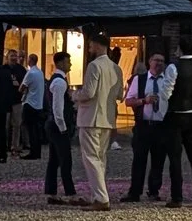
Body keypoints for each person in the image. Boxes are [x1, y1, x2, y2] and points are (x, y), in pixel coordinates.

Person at [74, 33, 121, 208]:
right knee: (100, 158)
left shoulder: (94, 66)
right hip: (107, 118)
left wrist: (74, 95)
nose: (89, 48)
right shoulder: (116, 68)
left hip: (91, 118)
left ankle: (101, 198)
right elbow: (120, 94)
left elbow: (89, 92)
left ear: (99, 45)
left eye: (91, 44)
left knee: (91, 158)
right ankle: (97, 194)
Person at [162, 36, 192, 207]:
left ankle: (177, 197)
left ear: (179, 49)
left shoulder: (173, 67)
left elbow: (166, 92)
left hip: (176, 114)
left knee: (175, 158)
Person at [125, 50, 169, 203]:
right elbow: (128, 101)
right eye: (156, 60)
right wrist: (144, 101)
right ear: (150, 62)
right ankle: (135, 192)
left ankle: (154, 191)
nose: (159, 63)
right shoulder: (139, 79)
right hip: (143, 125)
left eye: (162, 61)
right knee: (139, 160)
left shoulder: (168, 81)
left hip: (161, 126)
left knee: (158, 161)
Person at [44, 49, 77, 203]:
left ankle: (51, 190)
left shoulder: (57, 80)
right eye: (68, 61)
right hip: (58, 126)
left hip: (53, 124)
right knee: (65, 159)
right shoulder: (59, 82)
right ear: (60, 63)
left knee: (54, 159)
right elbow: (58, 108)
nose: (70, 64)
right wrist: (63, 128)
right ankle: (69, 191)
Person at [21, 51, 49, 158]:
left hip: (30, 103)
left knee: (30, 129)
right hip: (39, 104)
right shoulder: (40, 72)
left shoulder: (30, 73)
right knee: (37, 129)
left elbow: (22, 87)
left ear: (30, 60)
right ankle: (37, 152)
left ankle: (33, 152)